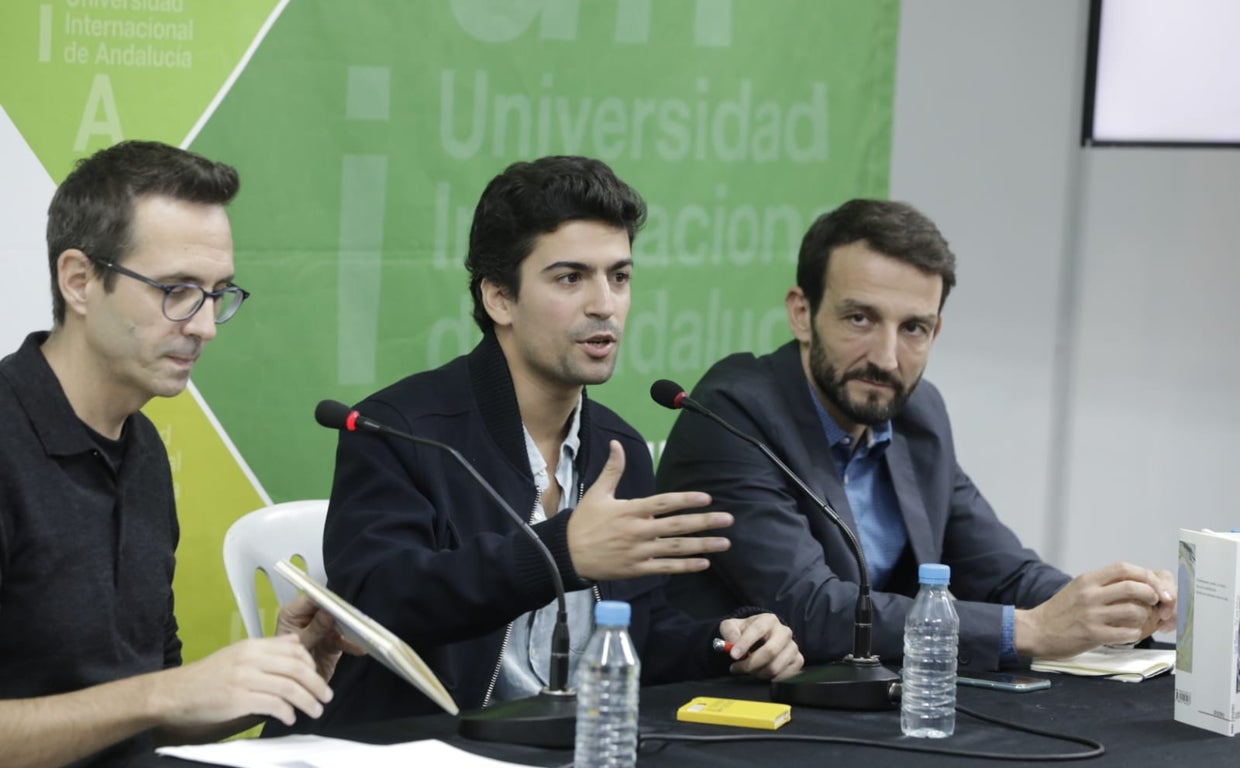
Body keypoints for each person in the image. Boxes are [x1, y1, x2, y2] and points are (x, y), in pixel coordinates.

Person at [302, 156, 803, 729]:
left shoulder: (618, 447)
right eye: (571, 278)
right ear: (500, 299)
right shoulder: (399, 430)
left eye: (619, 277)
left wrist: (729, 645)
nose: (605, 304)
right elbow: (379, 601)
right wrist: (561, 554)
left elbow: (639, 637)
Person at [656, 198, 1176, 670]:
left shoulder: (916, 415)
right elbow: (809, 609)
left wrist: (1113, 608)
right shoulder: (732, 415)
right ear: (801, 313)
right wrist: (1034, 629)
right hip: (731, 715)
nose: (886, 358)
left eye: (913, 329)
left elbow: (1000, 572)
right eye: (860, 318)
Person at [0, 140, 353, 768]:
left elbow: (150, 721)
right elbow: (153, 699)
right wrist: (164, 693)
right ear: (80, 281)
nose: (205, 326)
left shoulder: (142, 452)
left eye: (217, 293)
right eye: (176, 290)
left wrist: (265, 683)